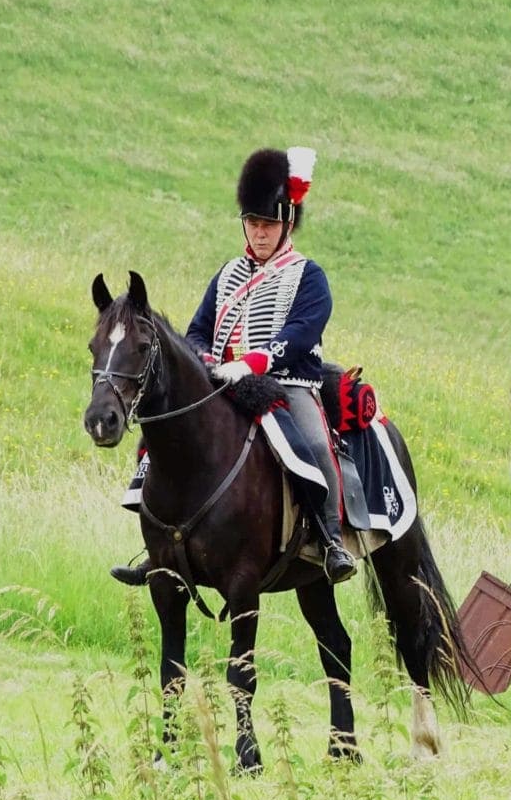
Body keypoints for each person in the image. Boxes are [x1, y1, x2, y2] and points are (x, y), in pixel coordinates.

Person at [111, 147, 357, 586]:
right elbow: (198, 329)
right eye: (254, 223)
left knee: (315, 447)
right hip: (222, 382)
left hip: (286, 383)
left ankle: (329, 539)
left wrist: (252, 363)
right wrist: (207, 361)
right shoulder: (227, 275)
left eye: (269, 224)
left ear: (286, 224)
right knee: (162, 440)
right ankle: (160, 547)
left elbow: (301, 332)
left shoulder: (308, 276)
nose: (260, 233)